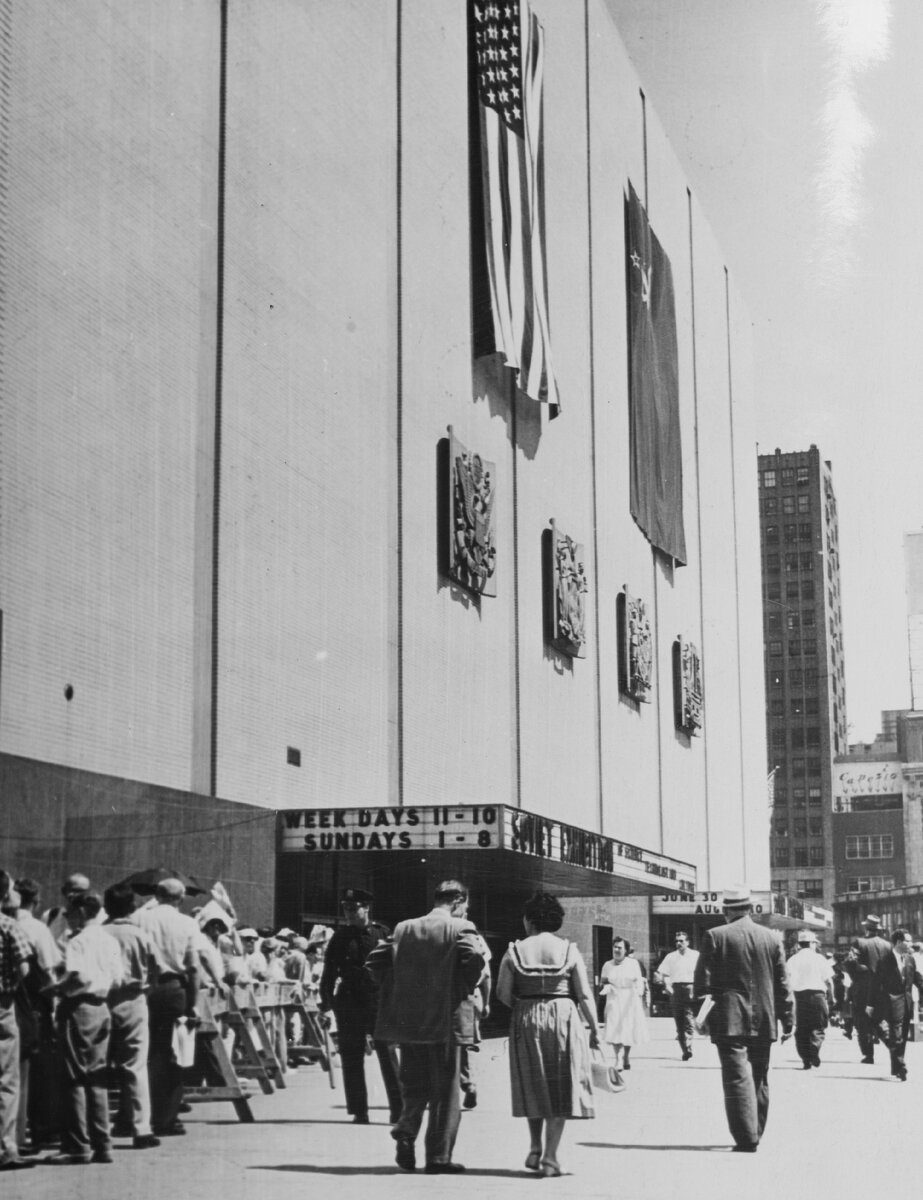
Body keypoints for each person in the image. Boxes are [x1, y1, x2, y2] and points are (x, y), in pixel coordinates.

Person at [369, 879, 485, 1175]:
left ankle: (406, 1131)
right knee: (446, 1092)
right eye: (465, 906)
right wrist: (462, 988)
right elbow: (474, 959)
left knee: (414, 1086)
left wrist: (398, 990)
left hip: (410, 1021)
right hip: (446, 1019)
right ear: (458, 902)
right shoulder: (461, 928)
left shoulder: (404, 928)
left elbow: (375, 961)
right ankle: (438, 1157)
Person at [496, 891, 598, 1179]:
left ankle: (534, 1146)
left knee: (532, 1081)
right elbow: (585, 994)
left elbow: (502, 993)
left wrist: (525, 1007)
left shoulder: (514, 950)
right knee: (561, 1085)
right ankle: (551, 1157)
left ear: (529, 920)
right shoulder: (569, 949)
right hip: (564, 1017)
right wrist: (595, 1029)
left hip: (526, 1017)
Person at [693, 884, 792, 1153]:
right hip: (764, 1018)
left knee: (736, 1077)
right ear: (749, 909)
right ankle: (756, 1131)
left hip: (729, 1020)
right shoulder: (771, 938)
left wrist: (701, 1019)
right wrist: (788, 1018)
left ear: (726, 911)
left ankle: (746, 1138)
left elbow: (703, 984)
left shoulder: (715, 935)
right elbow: (782, 983)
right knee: (759, 1077)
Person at [45, 891, 125, 1165]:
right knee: (97, 1078)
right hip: (102, 1007)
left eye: (69, 912)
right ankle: (103, 1144)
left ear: (81, 911)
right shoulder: (108, 939)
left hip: (78, 1006)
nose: (66, 917)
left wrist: (56, 988)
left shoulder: (78, 941)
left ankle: (78, 1145)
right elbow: (117, 980)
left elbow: (77, 976)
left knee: (75, 1078)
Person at [320, 888, 401, 1126]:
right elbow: (328, 973)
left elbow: (394, 970)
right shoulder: (339, 937)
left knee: (387, 1056)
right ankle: (359, 1110)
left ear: (366, 908)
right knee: (352, 1058)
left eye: (353, 908)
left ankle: (398, 1109)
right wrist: (325, 1006)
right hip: (349, 1003)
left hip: (378, 1002)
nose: (349, 913)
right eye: (345, 908)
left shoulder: (382, 933)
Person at [133, 878, 200, 1137]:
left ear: (156, 894)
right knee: (174, 1054)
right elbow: (193, 966)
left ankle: (136, 1115)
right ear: (180, 898)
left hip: (144, 989)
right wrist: (192, 1003)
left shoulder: (140, 918)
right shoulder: (187, 922)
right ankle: (166, 1118)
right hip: (174, 989)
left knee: (141, 1053)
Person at [101, 882, 162, 1149]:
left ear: (106, 907)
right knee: (135, 1065)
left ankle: (98, 1127)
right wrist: (146, 990)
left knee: (98, 1066)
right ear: (132, 907)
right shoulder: (141, 935)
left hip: (101, 998)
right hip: (134, 997)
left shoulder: (97, 933)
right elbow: (157, 969)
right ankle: (141, 1128)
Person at [9, 877, 61, 1154]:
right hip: (34, 1002)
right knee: (39, 1069)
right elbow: (49, 968)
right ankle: (41, 1128)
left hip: (12, 1001)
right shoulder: (37, 929)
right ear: (35, 900)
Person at [0, 871, 32, 1172]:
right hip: (2, 1005)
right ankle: (6, 1148)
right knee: (7, 1081)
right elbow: (24, 967)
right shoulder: (9, 925)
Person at [866, 927, 923, 1082]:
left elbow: (917, 979)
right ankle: (902, 1066)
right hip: (891, 1001)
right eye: (908, 940)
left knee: (902, 1036)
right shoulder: (884, 961)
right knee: (896, 1034)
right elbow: (875, 983)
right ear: (899, 942)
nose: (911, 943)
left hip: (907, 1001)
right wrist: (870, 1004)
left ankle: (896, 1068)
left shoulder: (910, 959)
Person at [846, 914, 891, 1064]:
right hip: (882, 988)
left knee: (862, 1020)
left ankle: (868, 1054)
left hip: (863, 988)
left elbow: (850, 963)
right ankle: (891, 1044)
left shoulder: (859, 942)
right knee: (880, 1018)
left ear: (866, 928)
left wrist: (856, 978)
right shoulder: (887, 945)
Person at [785, 930, 834, 1069]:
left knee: (801, 1029)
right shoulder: (820, 958)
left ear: (799, 944)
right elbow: (829, 981)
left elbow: (787, 981)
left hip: (799, 997)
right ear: (812, 943)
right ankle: (814, 1047)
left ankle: (806, 1060)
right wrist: (832, 996)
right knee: (818, 1026)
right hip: (818, 996)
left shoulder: (792, 959)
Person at [600, 936, 648, 1072]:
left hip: (629, 998)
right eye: (614, 947)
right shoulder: (607, 965)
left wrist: (639, 992)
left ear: (625, 950)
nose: (616, 950)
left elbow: (639, 981)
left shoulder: (633, 964)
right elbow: (603, 981)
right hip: (614, 998)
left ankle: (626, 1056)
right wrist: (607, 986)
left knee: (627, 1029)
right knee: (615, 1027)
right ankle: (618, 1060)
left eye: (619, 947)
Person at [655, 931, 699, 1061]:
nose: (678, 943)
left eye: (681, 941)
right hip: (676, 990)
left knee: (689, 1018)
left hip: (691, 988)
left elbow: (702, 973)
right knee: (679, 1021)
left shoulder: (696, 955)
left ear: (688, 942)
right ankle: (684, 1050)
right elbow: (662, 973)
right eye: (676, 941)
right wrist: (667, 985)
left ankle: (689, 1046)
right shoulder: (670, 957)